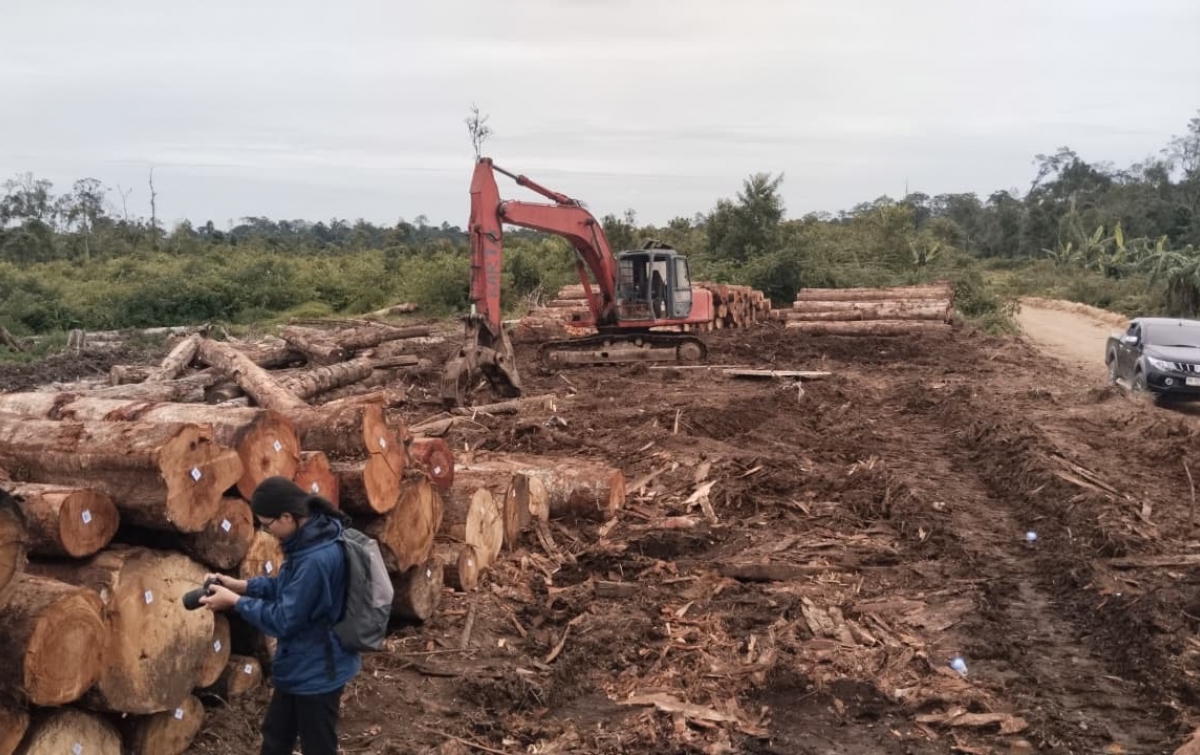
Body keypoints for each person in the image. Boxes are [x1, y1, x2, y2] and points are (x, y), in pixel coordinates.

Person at [201, 476, 361, 755]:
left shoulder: (316, 558)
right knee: (276, 737)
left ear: (287, 517)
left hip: (318, 671)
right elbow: (289, 588)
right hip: (300, 663)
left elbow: (284, 619)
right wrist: (241, 586)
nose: (268, 531)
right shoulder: (308, 541)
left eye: (268, 524)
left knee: (318, 746)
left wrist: (236, 602)